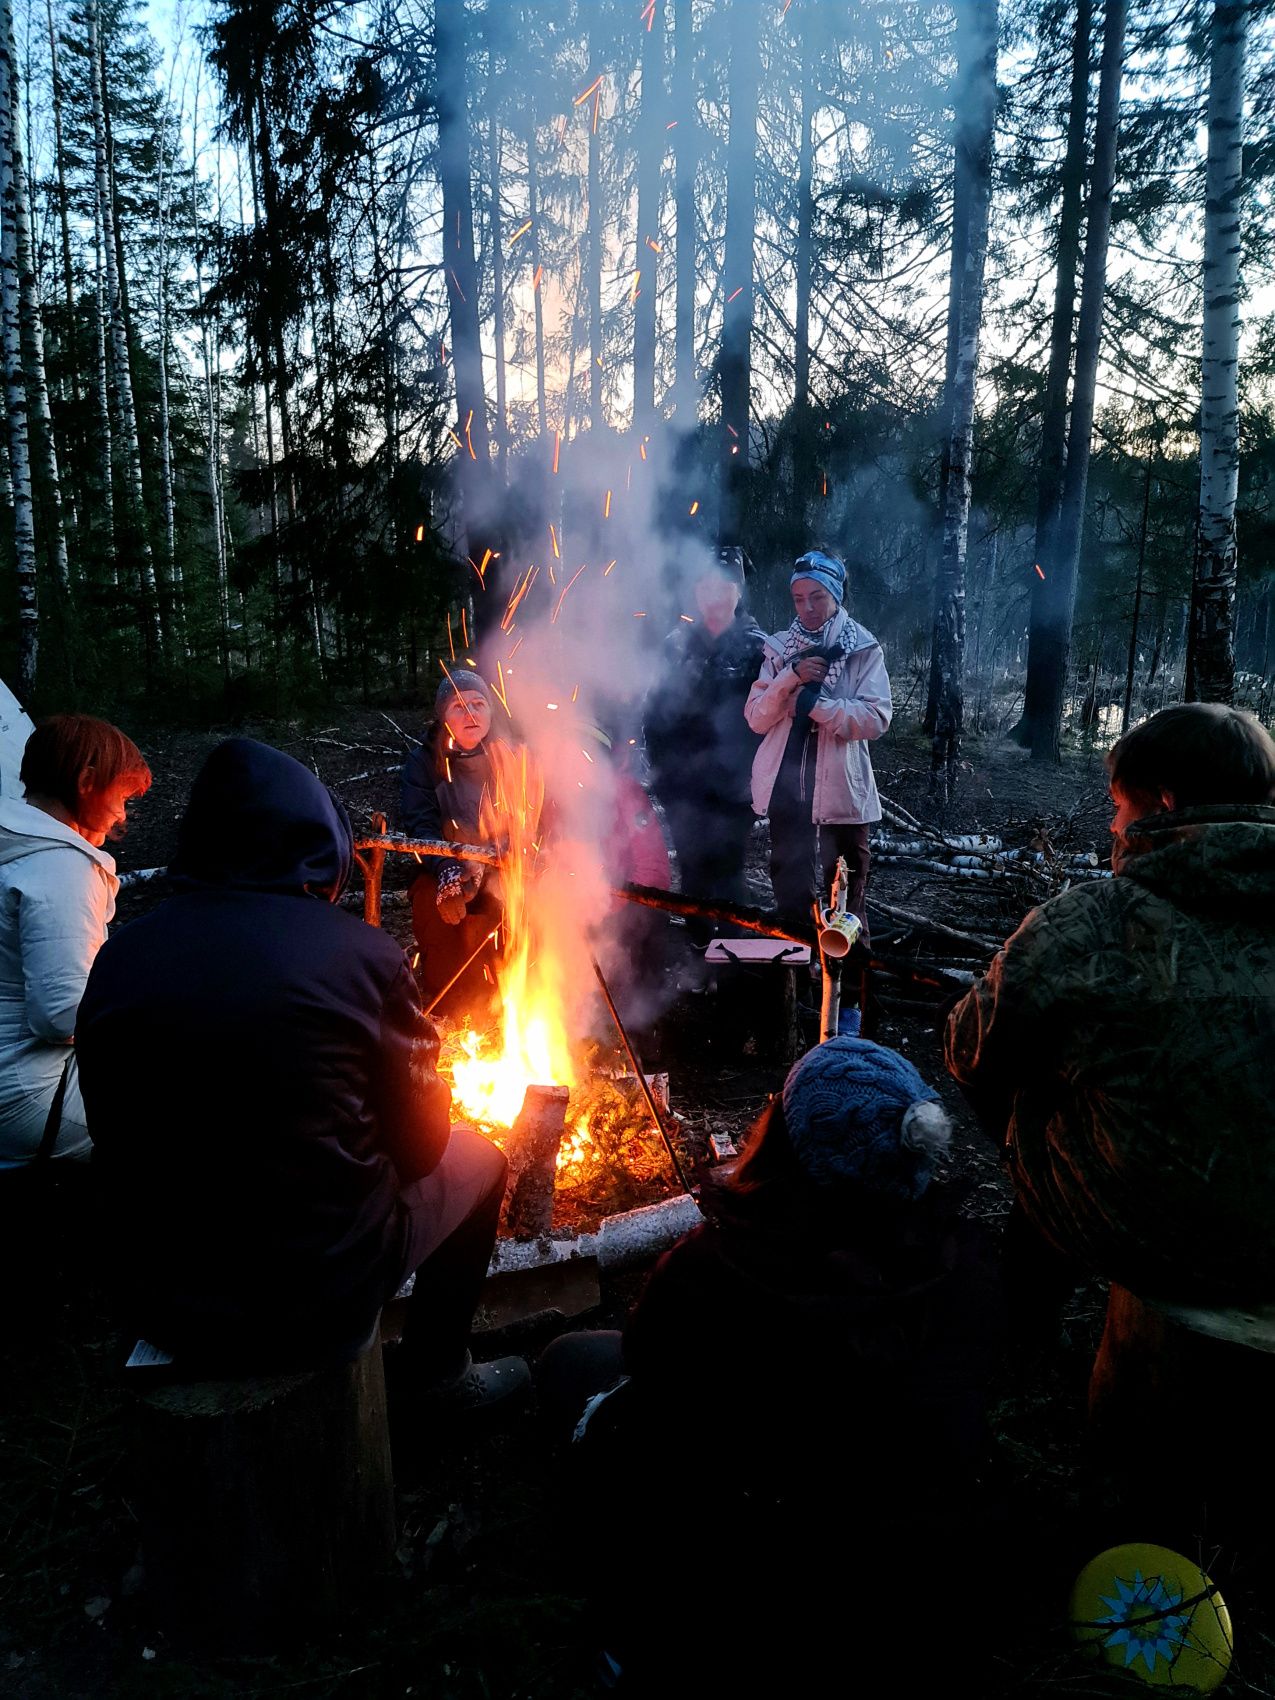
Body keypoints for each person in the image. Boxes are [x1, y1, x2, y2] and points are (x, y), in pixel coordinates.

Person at [538, 1037, 1003, 1682]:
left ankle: (629, 1628)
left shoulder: (716, 1272)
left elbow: (650, 1366)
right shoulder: (964, 1271)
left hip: (750, 1578)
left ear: (786, 1143)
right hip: (904, 1581)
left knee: (572, 1364)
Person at [76, 738, 524, 1405]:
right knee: (480, 1159)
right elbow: (423, 1146)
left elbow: (109, 1126)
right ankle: (438, 1378)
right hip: (315, 1295)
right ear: (318, 840)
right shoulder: (360, 954)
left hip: (158, 1296)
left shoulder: (120, 956)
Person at [945, 703, 1275, 1545]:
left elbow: (968, 1047)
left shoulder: (1095, 919)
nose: (1110, 822)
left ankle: (1023, 1336)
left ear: (1161, 804)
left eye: (1116, 805)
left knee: (1029, 1090)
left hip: (1164, 1232)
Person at [0, 714, 151, 1173]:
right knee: (194, 1111)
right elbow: (63, 1014)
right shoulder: (59, 867)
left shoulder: (16, 847)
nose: (123, 814)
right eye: (122, 797)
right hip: (31, 1094)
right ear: (87, 781)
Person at [400, 672, 541, 1016]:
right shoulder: (423, 763)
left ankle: (517, 1004)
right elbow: (421, 825)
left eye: (479, 705)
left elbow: (535, 816)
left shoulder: (510, 757)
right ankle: (452, 1009)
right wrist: (446, 867)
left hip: (503, 868)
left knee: (527, 910)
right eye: (458, 707)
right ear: (442, 716)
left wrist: (514, 849)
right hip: (445, 867)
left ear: (492, 713)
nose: (470, 714)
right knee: (436, 908)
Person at [643, 547, 765, 945]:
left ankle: (729, 963)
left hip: (736, 787)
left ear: (738, 591)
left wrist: (755, 778)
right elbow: (654, 714)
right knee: (693, 872)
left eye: (726, 585)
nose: (716, 594)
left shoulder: (758, 647)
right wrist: (663, 773)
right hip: (683, 785)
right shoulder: (674, 646)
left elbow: (770, 721)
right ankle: (698, 954)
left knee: (729, 871)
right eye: (707, 584)